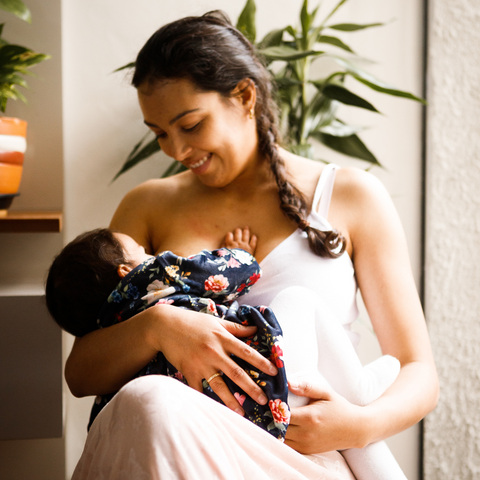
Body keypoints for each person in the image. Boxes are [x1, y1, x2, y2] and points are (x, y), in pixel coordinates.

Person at [67, 10, 439, 479]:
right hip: (177, 442)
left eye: (190, 125)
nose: (176, 151)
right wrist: (159, 326)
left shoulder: (350, 196)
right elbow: (81, 373)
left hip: (300, 454)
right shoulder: (146, 206)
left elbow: (417, 371)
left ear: (244, 96)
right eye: (160, 133)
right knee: (149, 400)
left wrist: (358, 426)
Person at [46, 227, 290, 440]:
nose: (150, 253)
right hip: (247, 388)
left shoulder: (108, 333)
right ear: (125, 270)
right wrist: (238, 252)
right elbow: (238, 272)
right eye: (141, 249)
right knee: (298, 301)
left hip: (190, 424)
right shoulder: (154, 274)